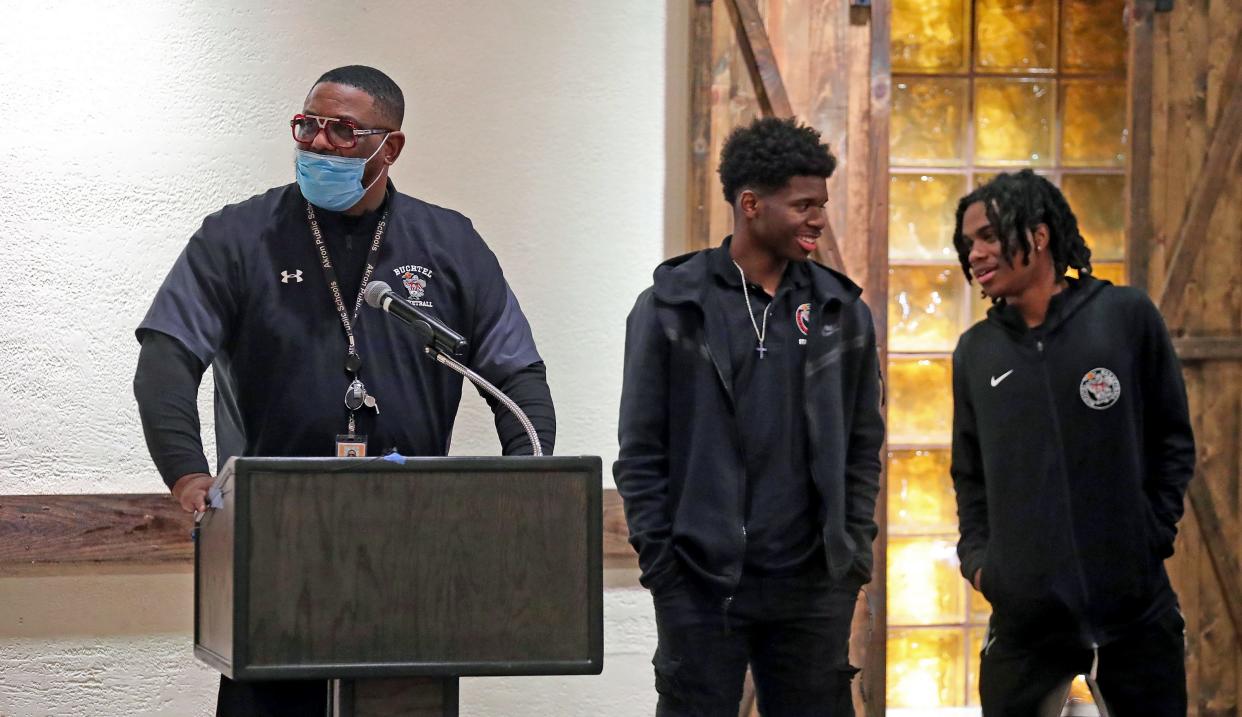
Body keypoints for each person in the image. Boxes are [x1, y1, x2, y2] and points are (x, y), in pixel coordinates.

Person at [133, 65, 555, 716]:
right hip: (273, 546)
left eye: (344, 131)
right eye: (309, 126)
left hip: (412, 548)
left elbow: (516, 372)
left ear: (391, 148)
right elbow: (166, 355)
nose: (320, 143)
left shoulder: (449, 244)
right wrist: (188, 475)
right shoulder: (238, 237)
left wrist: (523, 486)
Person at [614, 117, 884, 716]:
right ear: (751, 204)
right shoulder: (669, 307)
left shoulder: (842, 312)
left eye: (823, 204)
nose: (818, 219)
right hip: (700, 585)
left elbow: (864, 444)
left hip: (813, 587)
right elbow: (640, 453)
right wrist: (665, 569)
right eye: (804, 204)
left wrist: (850, 559)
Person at [949, 170, 1194, 715]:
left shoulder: (1125, 317)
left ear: (1038, 236)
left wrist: (1147, 537)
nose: (975, 253)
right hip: (1025, 624)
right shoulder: (976, 352)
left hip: (1134, 615)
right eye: (969, 243)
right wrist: (984, 564)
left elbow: (1172, 440)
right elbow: (969, 474)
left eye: (988, 236)